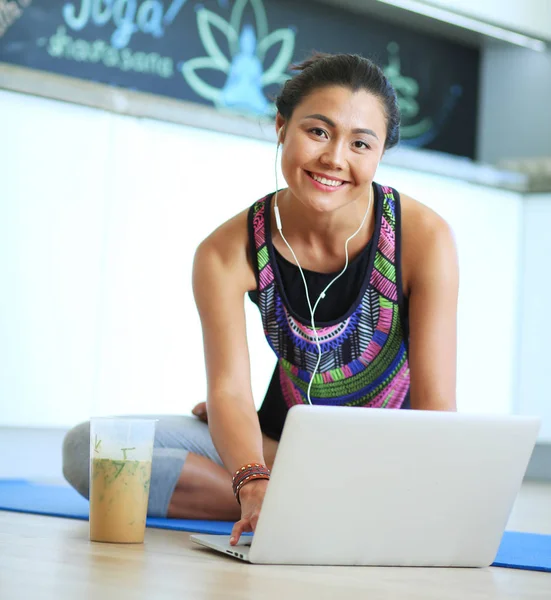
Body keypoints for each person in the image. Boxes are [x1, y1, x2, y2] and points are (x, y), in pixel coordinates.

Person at [62, 52, 458, 547]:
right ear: (281, 126)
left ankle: (317, 501)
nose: (335, 157)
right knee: (89, 451)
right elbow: (229, 389)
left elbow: (436, 405)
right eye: (318, 132)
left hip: (383, 461)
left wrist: (429, 492)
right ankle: (294, 503)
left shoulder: (423, 238)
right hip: (277, 446)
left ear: (380, 154)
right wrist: (250, 475)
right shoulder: (226, 251)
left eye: (360, 143)